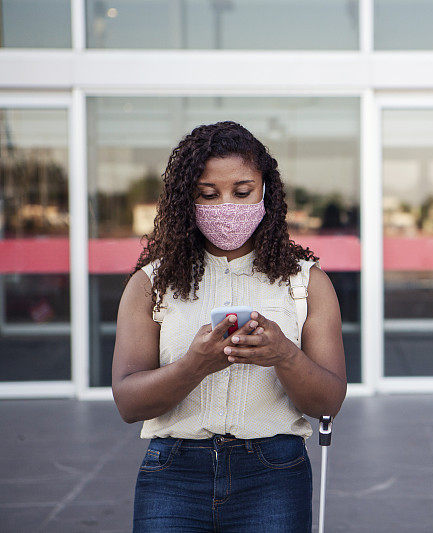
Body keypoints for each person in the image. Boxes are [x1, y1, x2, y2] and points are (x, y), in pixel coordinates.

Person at [111, 120, 347, 532]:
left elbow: (328, 401)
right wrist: (194, 365)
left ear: (265, 192)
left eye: (242, 192)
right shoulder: (151, 283)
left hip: (274, 472)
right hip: (173, 474)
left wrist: (285, 355)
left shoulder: (306, 282)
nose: (227, 207)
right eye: (208, 194)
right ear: (187, 199)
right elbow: (128, 403)